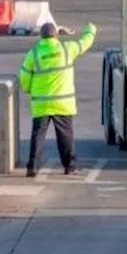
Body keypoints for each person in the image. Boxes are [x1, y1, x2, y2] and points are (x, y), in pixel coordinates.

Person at [20, 21, 97, 176]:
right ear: (56, 35)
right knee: (65, 136)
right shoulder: (66, 49)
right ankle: (70, 166)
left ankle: (32, 167)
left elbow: (25, 77)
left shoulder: (34, 53)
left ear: (41, 36)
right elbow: (84, 43)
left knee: (38, 136)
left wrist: (29, 90)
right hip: (63, 102)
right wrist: (90, 30)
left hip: (41, 103)